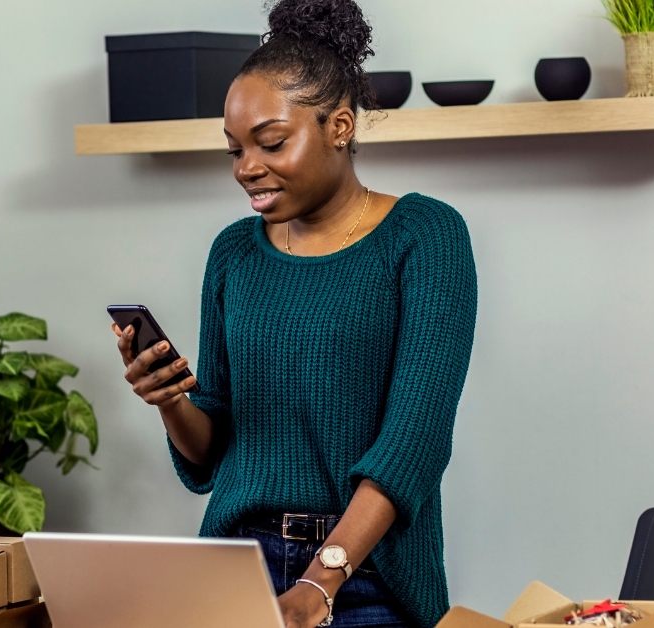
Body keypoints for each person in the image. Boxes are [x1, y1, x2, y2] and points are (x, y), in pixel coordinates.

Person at [111, 1, 477, 626]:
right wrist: (170, 400)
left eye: (271, 142)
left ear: (339, 126)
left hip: (367, 576)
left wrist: (321, 582)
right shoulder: (233, 253)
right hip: (236, 568)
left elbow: (412, 444)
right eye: (234, 150)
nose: (247, 169)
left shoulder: (425, 237)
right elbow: (212, 451)